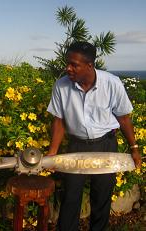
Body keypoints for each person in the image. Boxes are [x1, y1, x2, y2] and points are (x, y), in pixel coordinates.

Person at [47, 41, 141, 231]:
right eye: (67, 63)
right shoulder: (61, 85)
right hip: (76, 146)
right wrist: (53, 152)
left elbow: (124, 118)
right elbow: (59, 121)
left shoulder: (112, 84)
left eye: (74, 64)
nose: (68, 68)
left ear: (90, 65)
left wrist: (134, 148)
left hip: (105, 146)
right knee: (71, 196)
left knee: (101, 197)